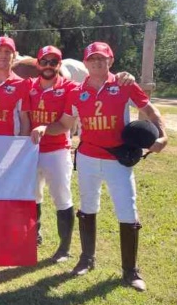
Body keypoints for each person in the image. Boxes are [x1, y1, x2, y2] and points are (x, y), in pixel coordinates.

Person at [31, 42, 167, 291]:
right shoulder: (75, 91)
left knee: (127, 209)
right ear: (85, 63)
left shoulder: (124, 84)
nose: (96, 63)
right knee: (88, 207)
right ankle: (86, 259)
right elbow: (64, 124)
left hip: (118, 157)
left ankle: (130, 271)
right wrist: (44, 128)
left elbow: (149, 109)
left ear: (110, 61)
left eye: (101, 59)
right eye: (92, 59)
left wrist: (162, 135)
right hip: (87, 157)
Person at [27, 45, 135, 260]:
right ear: (37, 63)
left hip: (56, 149)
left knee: (62, 197)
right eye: (44, 61)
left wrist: (124, 76)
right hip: (30, 149)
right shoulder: (28, 85)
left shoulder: (70, 88)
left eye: (53, 62)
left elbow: (67, 122)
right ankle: (33, 235)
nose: (49, 66)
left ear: (60, 64)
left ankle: (64, 248)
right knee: (33, 195)